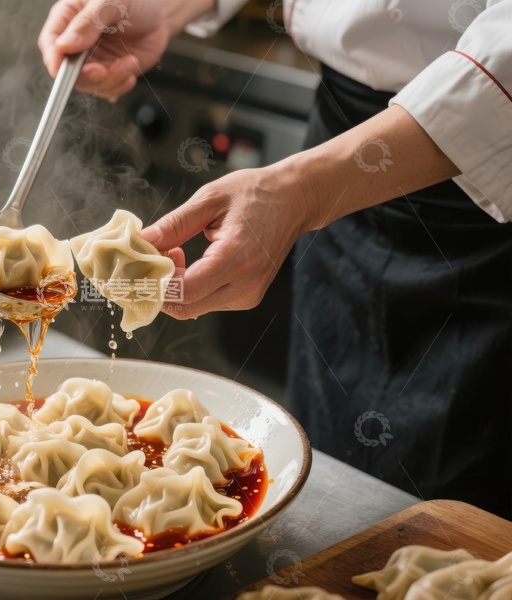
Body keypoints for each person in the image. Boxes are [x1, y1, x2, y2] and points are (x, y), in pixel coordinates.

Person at [39, 0, 512, 517]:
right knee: (328, 490)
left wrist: (304, 192)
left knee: (465, 517)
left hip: (488, 194)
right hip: (339, 142)